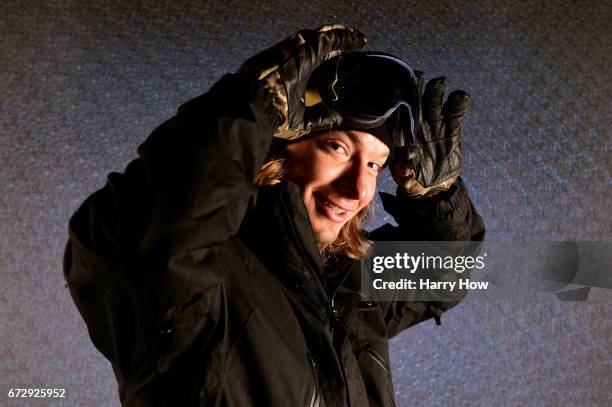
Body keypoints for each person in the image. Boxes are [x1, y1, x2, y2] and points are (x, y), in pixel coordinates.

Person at [64, 24, 485, 407]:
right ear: (278, 151)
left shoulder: (345, 286)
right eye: (337, 148)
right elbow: (144, 240)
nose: (358, 189)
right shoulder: (205, 284)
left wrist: (437, 197)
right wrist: (250, 107)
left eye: (375, 164)